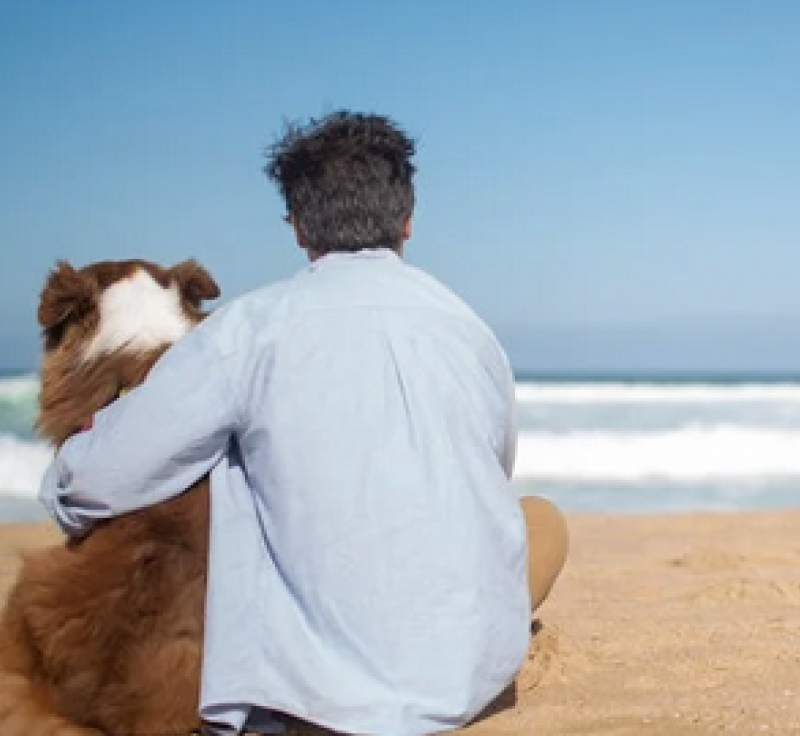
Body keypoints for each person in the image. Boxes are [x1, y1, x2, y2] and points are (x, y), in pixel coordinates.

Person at [39, 111, 568, 735]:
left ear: (296, 227)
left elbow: (102, 478)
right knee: (541, 519)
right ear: (408, 220)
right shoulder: (471, 333)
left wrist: (63, 479)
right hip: (459, 679)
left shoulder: (248, 331)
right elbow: (488, 475)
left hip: (313, 696)